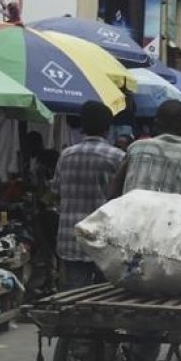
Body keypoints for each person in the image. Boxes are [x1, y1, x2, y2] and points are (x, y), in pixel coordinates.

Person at [51, 101, 125, 290]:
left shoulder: (66, 155)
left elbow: (56, 192)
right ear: (108, 128)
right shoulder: (117, 157)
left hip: (71, 236)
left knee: (73, 295)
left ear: (83, 125)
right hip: (105, 240)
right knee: (105, 295)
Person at [112, 100, 181, 199]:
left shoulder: (135, 148)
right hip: (172, 216)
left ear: (156, 124)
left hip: (129, 214)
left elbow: (115, 191)